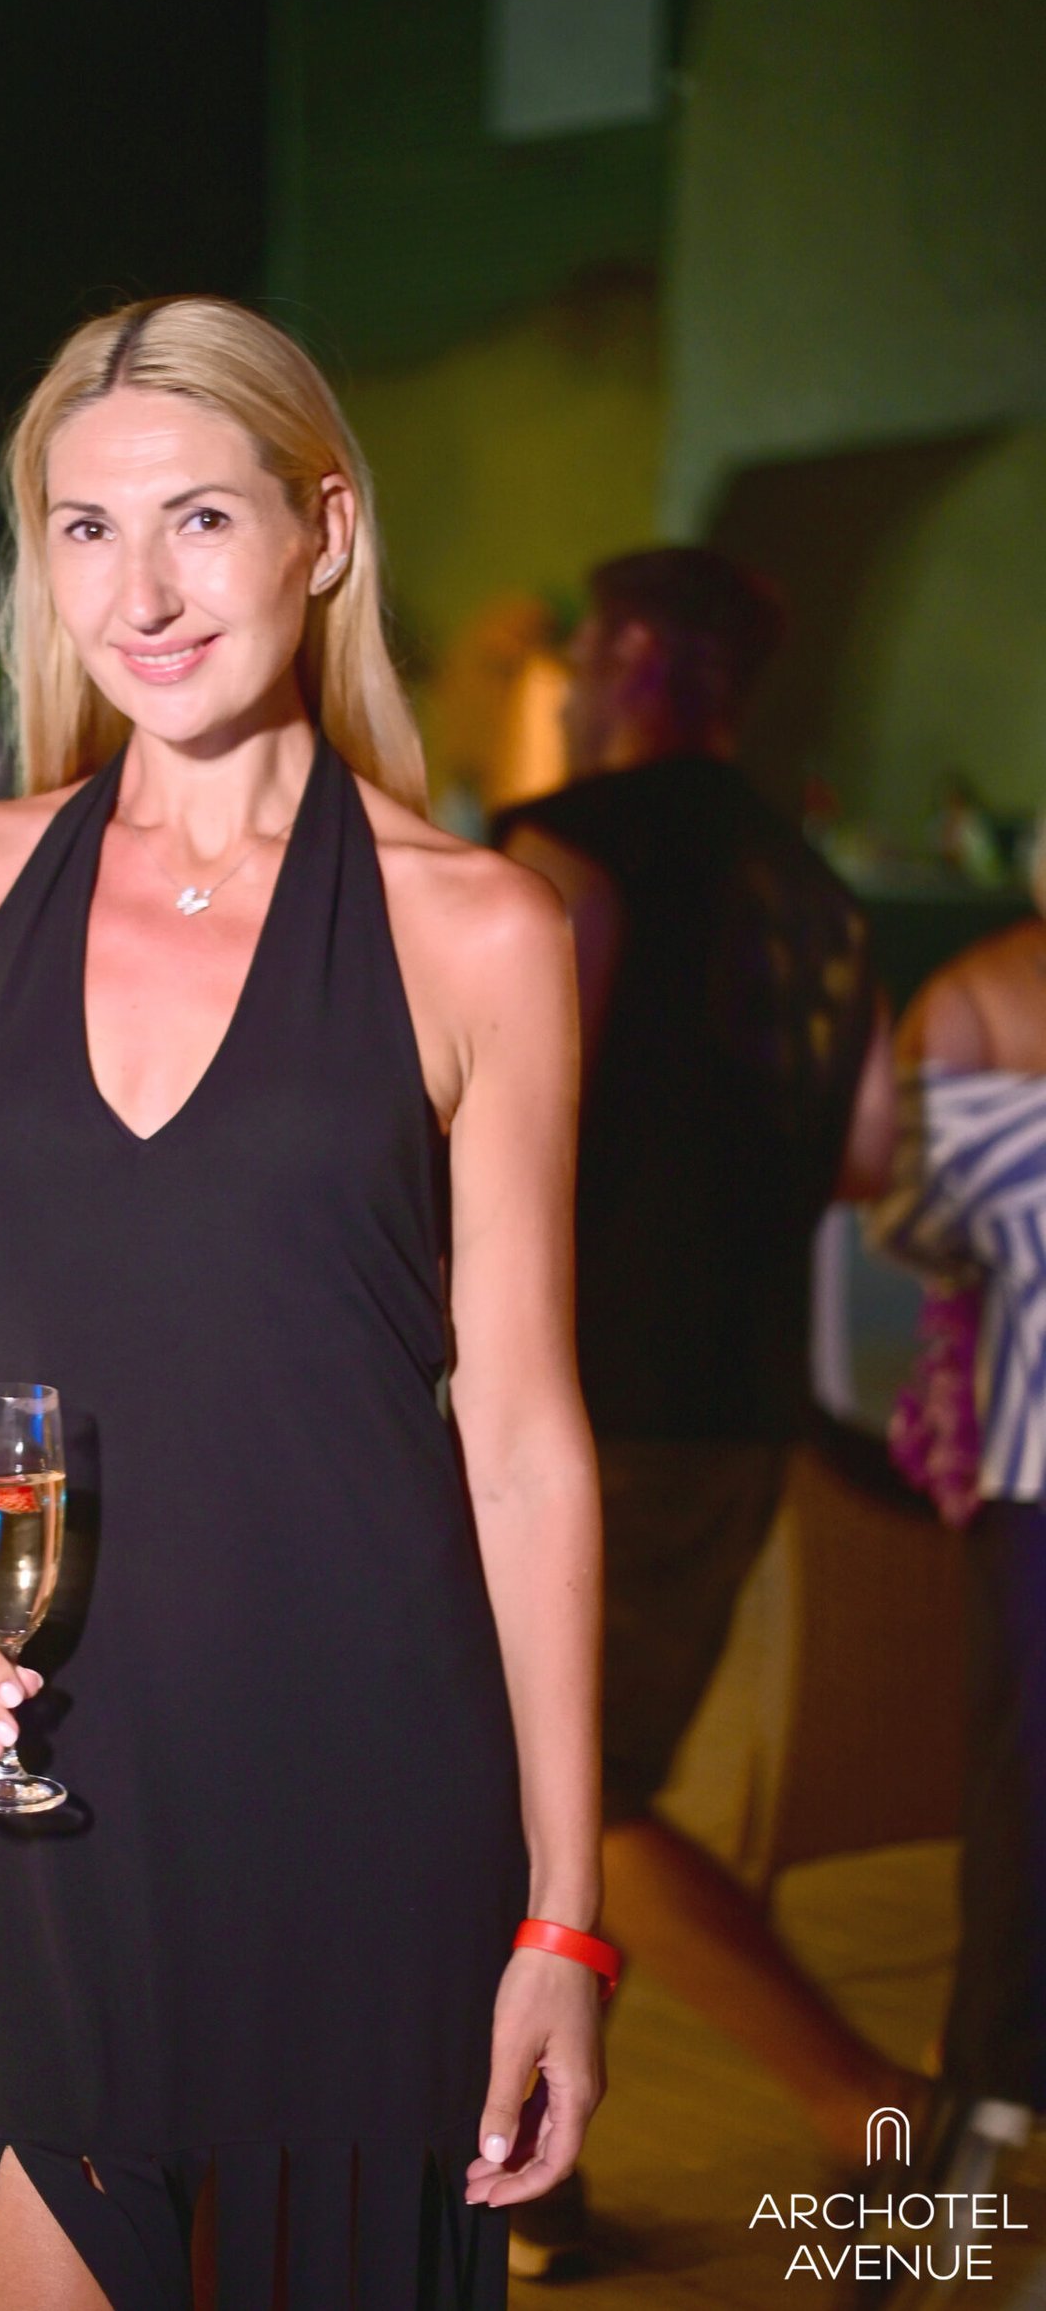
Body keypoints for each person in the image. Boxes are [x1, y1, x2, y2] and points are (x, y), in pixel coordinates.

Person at [0, 295, 609, 2311]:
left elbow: (522, 1441)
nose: (141, 593)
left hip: (363, 1773)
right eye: (86, 529)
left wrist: (564, 1910)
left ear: (321, 532)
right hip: (30, 1752)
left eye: (198, 519)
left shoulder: (477, 930)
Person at [497, 547, 918, 2265]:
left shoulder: (571, 847)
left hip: (589, 1389)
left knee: (566, 1792)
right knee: (554, 1786)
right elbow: (872, 1150)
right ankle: (528, 2160)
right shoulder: (817, 889)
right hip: (742, 1393)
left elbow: (520, 1110)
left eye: (588, 652)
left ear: (623, 656)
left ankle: (867, 2102)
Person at [866, 855, 1046, 2204]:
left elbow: (910, 1216)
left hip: (1036, 1463)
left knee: (1026, 1810)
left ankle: (980, 2133)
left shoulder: (978, 996)